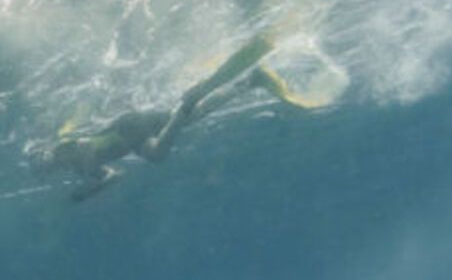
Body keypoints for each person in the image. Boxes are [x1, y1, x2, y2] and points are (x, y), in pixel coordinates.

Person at [40, 34, 293, 200]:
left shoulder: (64, 150)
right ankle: (250, 81)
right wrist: (91, 190)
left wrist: (86, 174)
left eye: (44, 163)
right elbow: (115, 175)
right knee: (190, 118)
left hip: (126, 128)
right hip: (133, 139)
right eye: (46, 168)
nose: (49, 167)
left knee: (158, 153)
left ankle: (191, 97)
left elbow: (84, 145)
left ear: (46, 156)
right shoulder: (78, 169)